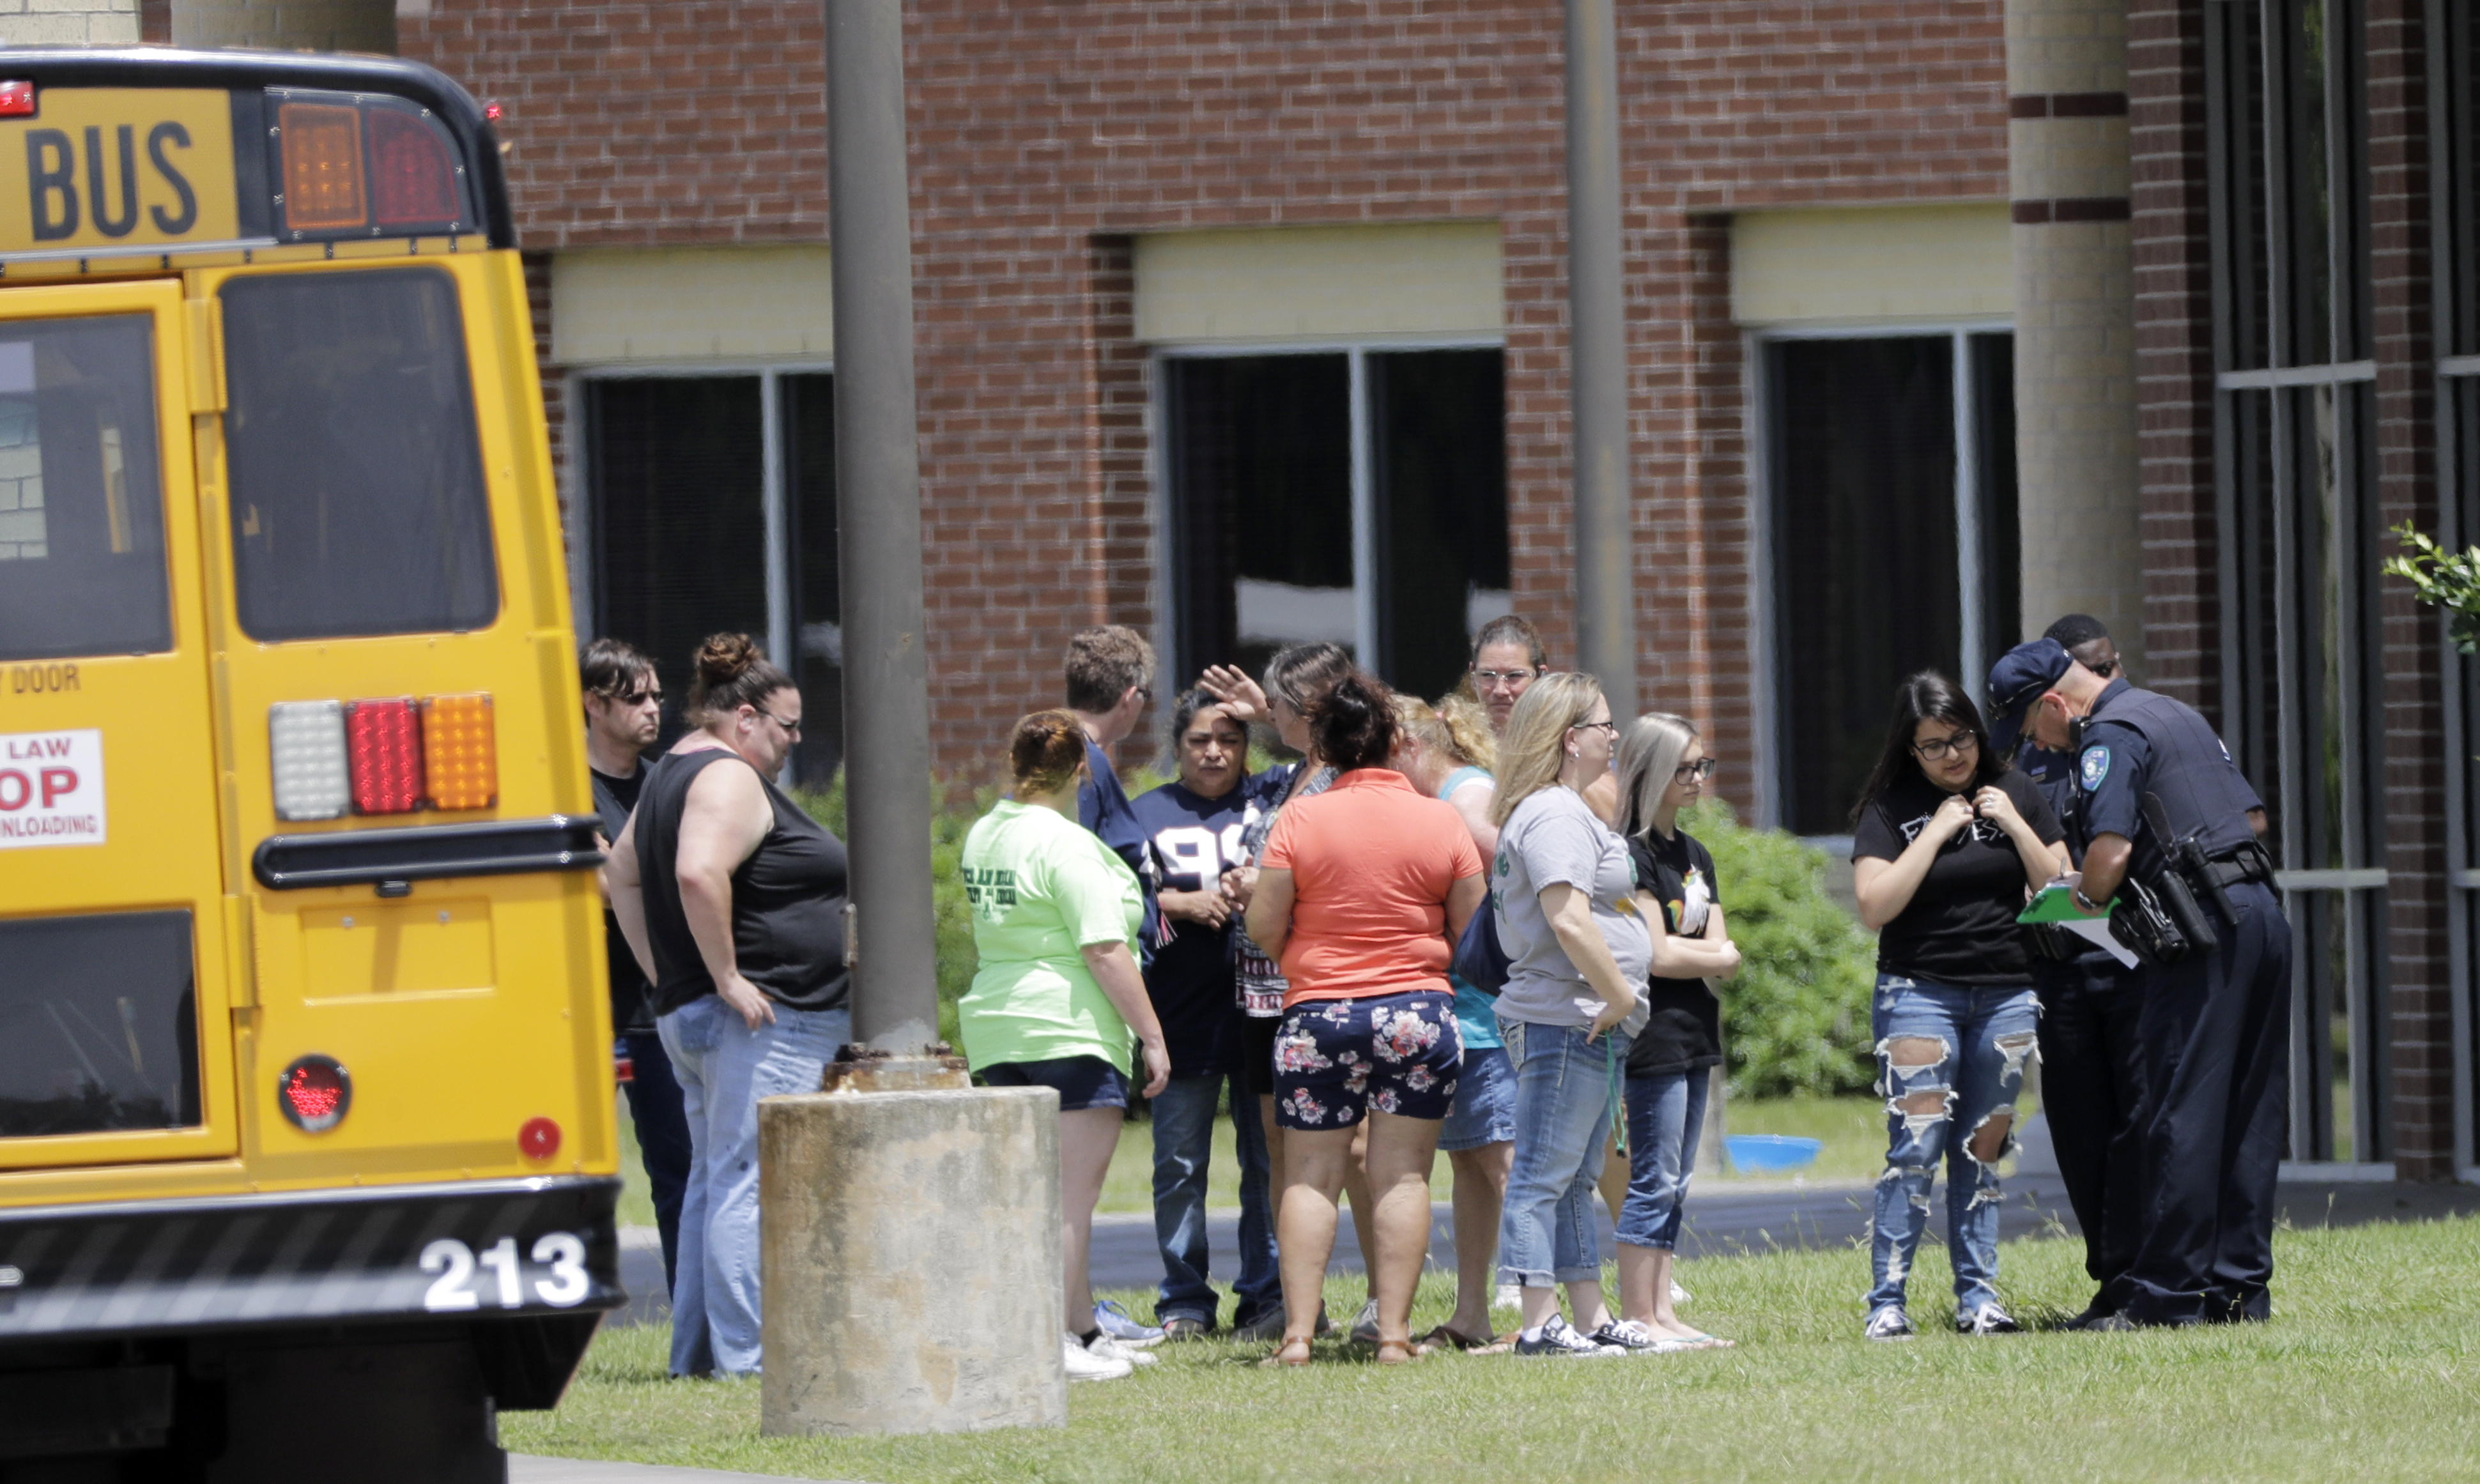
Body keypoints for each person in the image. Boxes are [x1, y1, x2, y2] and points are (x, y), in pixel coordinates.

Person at [1987, 636, 2285, 1329]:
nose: (2044, 744)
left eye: (2034, 727)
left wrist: (2078, 897)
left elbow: (2110, 851)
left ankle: (2165, 1297)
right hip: (2259, 914)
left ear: (2056, 702)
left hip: (2201, 926)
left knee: (2179, 1106)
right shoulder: (2171, 712)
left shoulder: (2108, 735)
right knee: (2246, 1107)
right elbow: (2246, 816)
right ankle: (2236, 1293)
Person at [606, 634, 849, 1379]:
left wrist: (667, 976)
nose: (794, 739)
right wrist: (725, 975)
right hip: (759, 1019)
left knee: (717, 1183)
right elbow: (694, 871)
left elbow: (619, 874)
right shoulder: (726, 776)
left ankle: (701, 1355)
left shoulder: (671, 770)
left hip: (700, 1016)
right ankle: (748, 1360)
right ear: (745, 717)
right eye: (787, 724)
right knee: (747, 1184)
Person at [1244, 673, 1486, 1366]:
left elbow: (1261, 921)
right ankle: (1393, 1337)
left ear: (1324, 745)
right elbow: (1470, 928)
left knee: (1307, 1174)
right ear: (1392, 740)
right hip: (1416, 1011)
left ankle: (1295, 1339)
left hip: (1316, 1015)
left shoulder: (1299, 817)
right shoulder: (1438, 816)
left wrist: (1304, 962)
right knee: (1402, 1175)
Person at [957, 710, 1174, 1383]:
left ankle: (1082, 1331)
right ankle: (1048, 1341)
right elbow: (1105, 949)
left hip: (998, 1026)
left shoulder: (984, 833)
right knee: (1068, 1201)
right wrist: (1153, 1036)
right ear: (1082, 769)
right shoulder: (1067, 843)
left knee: (1040, 1195)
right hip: (1070, 1027)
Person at [1849, 672, 2065, 1341]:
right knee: (1912, 1149)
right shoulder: (1889, 806)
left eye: (1961, 738)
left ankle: (1979, 1298)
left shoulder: (2017, 791)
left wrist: (2009, 823)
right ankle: (1885, 1302)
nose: (1952, 755)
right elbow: (1873, 906)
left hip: (2005, 992)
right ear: (1908, 750)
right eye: (1933, 745)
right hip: (1918, 992)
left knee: (1981, 1149)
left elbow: (2060, 889)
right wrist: (1935, 832)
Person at [1199, 639, 1364, 1342]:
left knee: (1345, 1145)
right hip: (1261, 990)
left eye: (1282, 708)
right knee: (1274, 1143)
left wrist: (1259, 886)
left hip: (1317, 983)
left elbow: (1335, 874)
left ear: (1307, 710)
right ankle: (1299, 1305)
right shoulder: (1298, 772)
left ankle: (1384, 1299)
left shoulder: (1351, 778)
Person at [1488, 672, 1650, 1358]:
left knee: (1576, 1176)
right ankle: (1537, 1322)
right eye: (1604, 724)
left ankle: (1587, 1315)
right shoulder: (1553, 813)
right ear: (1569, 736)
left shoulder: (1562, 807)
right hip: (1564, 1015)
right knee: (1539, 1177)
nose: (1614, 736)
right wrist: (1618, 994)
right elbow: (1568, 918)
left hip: (1579, 1016)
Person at [1128, 691, 1281, 1340]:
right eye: (1198, 739)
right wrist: (1177, 904)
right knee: (1179, 1165)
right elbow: (1114, 896)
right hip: (1178, 1013)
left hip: (1264, 1011)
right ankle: (1184, 1300)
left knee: (1266, 1160)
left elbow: (1323, 747)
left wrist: (1270, 708)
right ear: (1176, 745)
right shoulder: (1147, 812)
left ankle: (1265, 1295)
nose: (1214, 751)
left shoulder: (1273, 797)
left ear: (1249, 746)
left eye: (1229, 738)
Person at [2010, 615, 2146, 1322]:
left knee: (2137, 1119)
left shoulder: (2127, 739)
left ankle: (2147, 1269)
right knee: (2077, 1124)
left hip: (2130, 964)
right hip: (2058, 968)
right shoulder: (2026, 756)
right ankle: (2109, 1273)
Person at [1607, 713, 1742, 1350]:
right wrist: (1711, 955)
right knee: (1652, 1176)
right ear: (1648, 771)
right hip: (1651, 1032)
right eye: (1684, 768)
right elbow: (1656, 954)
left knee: (1678, 1178)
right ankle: (1638, 1315)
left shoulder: (1693, 854)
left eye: (1701, 766)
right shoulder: (1627, 855)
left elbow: (1717, 945)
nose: (1696, 779)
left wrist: (1709, 954)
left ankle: (1662, 1311)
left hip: (1695, 1028)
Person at [1385, 693, 1514, 1352]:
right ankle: (1471, 1315)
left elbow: (1523, 875)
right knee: (1469, 1162)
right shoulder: (1447, 801)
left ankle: (1542, 1309)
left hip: (1490, 1012)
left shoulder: (1466, 799)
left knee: (1502, 1161)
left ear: (1411, 746)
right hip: (1461, 1007)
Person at [1063, 625, 1169, 1347]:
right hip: (1079, 996)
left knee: (1071, 1186)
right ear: (1130, 696)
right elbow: (1084, 905)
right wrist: (1149, 1030)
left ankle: (1082, 1317)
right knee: (1075, 1188)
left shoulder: (1066, 756)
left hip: (1064, 994)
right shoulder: (1082, 764)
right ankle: (1068, 1332)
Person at [581, 638, 692, 1301]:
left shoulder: (662, 784)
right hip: (581, 1007)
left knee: (677, 1165)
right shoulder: (562, 784)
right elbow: (598, 883)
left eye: (657, 696)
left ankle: (692, 1322)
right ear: (595, 705)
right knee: (570, 1174)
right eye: (636, 698)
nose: (653, 709)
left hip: (655, 1007)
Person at [1467, 613, 1547, 733]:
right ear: (1473, 678)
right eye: (1488, 675)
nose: (1500, 691)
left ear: (1540, 678)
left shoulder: (1566, 744)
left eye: (1515, 675)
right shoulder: (1449, 746)